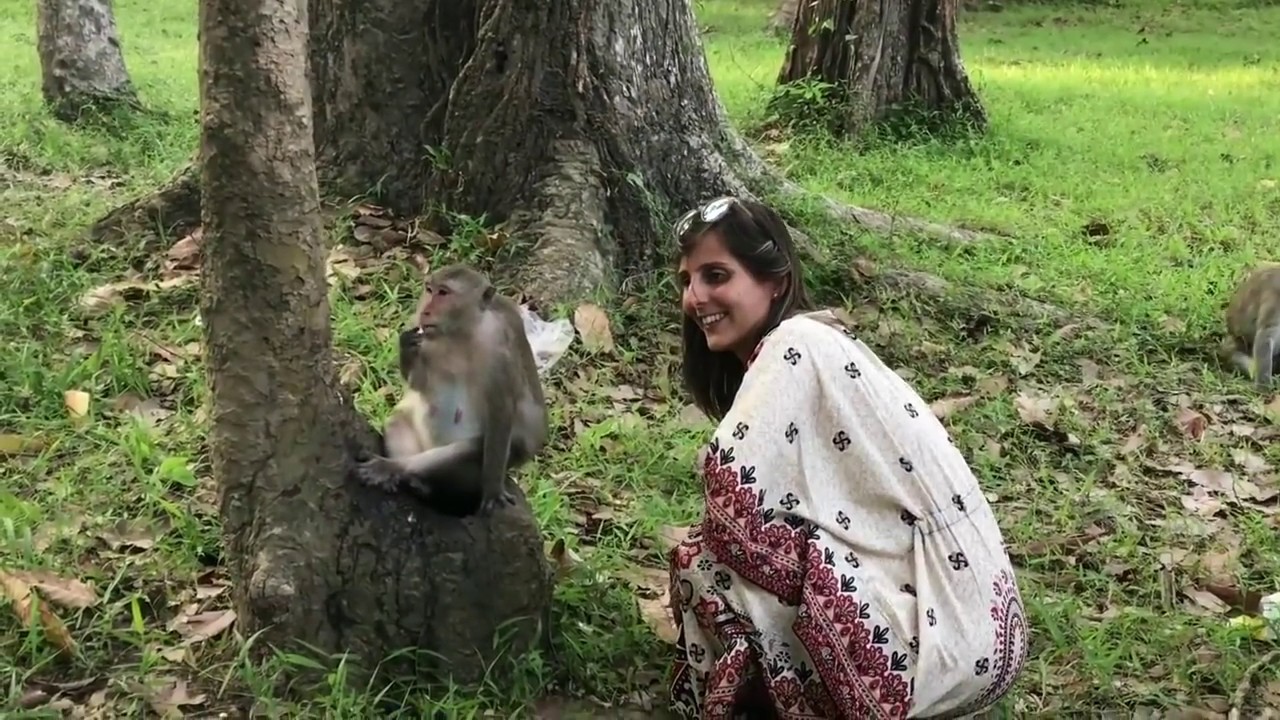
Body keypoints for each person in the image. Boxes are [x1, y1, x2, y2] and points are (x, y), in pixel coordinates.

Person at [665, 196, 1029, 720]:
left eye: (716, 275)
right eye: (687, 281)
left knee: (703, 562)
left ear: (776, 281)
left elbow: (730, 497)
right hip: (982, 633)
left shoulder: (796, 343)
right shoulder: (823, 340)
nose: (696, 298)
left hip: (938, 639)